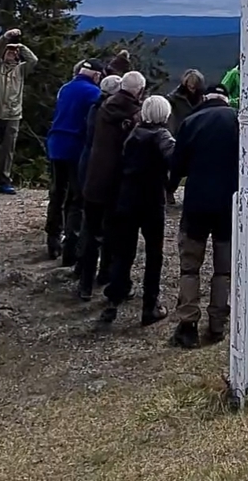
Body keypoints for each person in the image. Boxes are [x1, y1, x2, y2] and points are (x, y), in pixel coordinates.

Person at [169, 90, 240, 348]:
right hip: (228, 204)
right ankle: (217, 324)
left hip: (197, 202)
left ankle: (188, 325)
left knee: (190, 266)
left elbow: (177, 164)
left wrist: (169, 187)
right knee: (223, 269)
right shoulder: (239, 120)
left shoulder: (191, 122)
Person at [100, 96, 175, 327]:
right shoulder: (161, 136)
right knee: (154, 254)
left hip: (127, 197)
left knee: (124, 252)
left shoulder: (134, 133)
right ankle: (149, 306)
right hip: (151, 200)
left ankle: (113, 299)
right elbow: (174, 158)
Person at [79, 71, 146, 299]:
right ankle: (108, 277)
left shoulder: (102, 109)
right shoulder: (135, 115)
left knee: (91, 233)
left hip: (95, 178)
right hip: (117, 183)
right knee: (117, 236)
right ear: (139, 91)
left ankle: (85, 285)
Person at [45, 60, 102, 263]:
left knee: (57, 192)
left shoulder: (65, 88)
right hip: (75, 148)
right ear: (96, 75)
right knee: (77, 198)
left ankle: (52, 240)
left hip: (55, 144)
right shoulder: (93, 93)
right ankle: (71, 246)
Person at [0, 28, 38, 197]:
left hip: (12, 114)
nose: (11, 53)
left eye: (14, 52)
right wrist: (5, 39)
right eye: (8, 51)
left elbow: (34, 60)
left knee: (7, 150)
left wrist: (20, 46)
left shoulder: (21, 70)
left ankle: (5, 181)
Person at [169, 69, 206, 135]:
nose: (192, 90)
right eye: (190, 87)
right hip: (180, 132)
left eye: (194, 88)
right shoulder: (174, 98)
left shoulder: (203, 99)